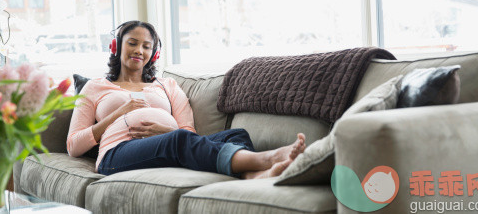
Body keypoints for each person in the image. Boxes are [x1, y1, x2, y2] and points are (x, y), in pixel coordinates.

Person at [67, 20, 306, 179]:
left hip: (166, 142)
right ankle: (267, 158)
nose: (139, 50)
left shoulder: (168, 85)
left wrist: (165, 131)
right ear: (116, 46)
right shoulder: (95, 87)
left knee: (236, 134)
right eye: (132, 43)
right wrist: (118, 114)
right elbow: (74, 146)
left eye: (146, 46)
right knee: (179, 141)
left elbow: (187, 130)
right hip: (116, 154)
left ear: (154, 54)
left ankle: (252, 176)